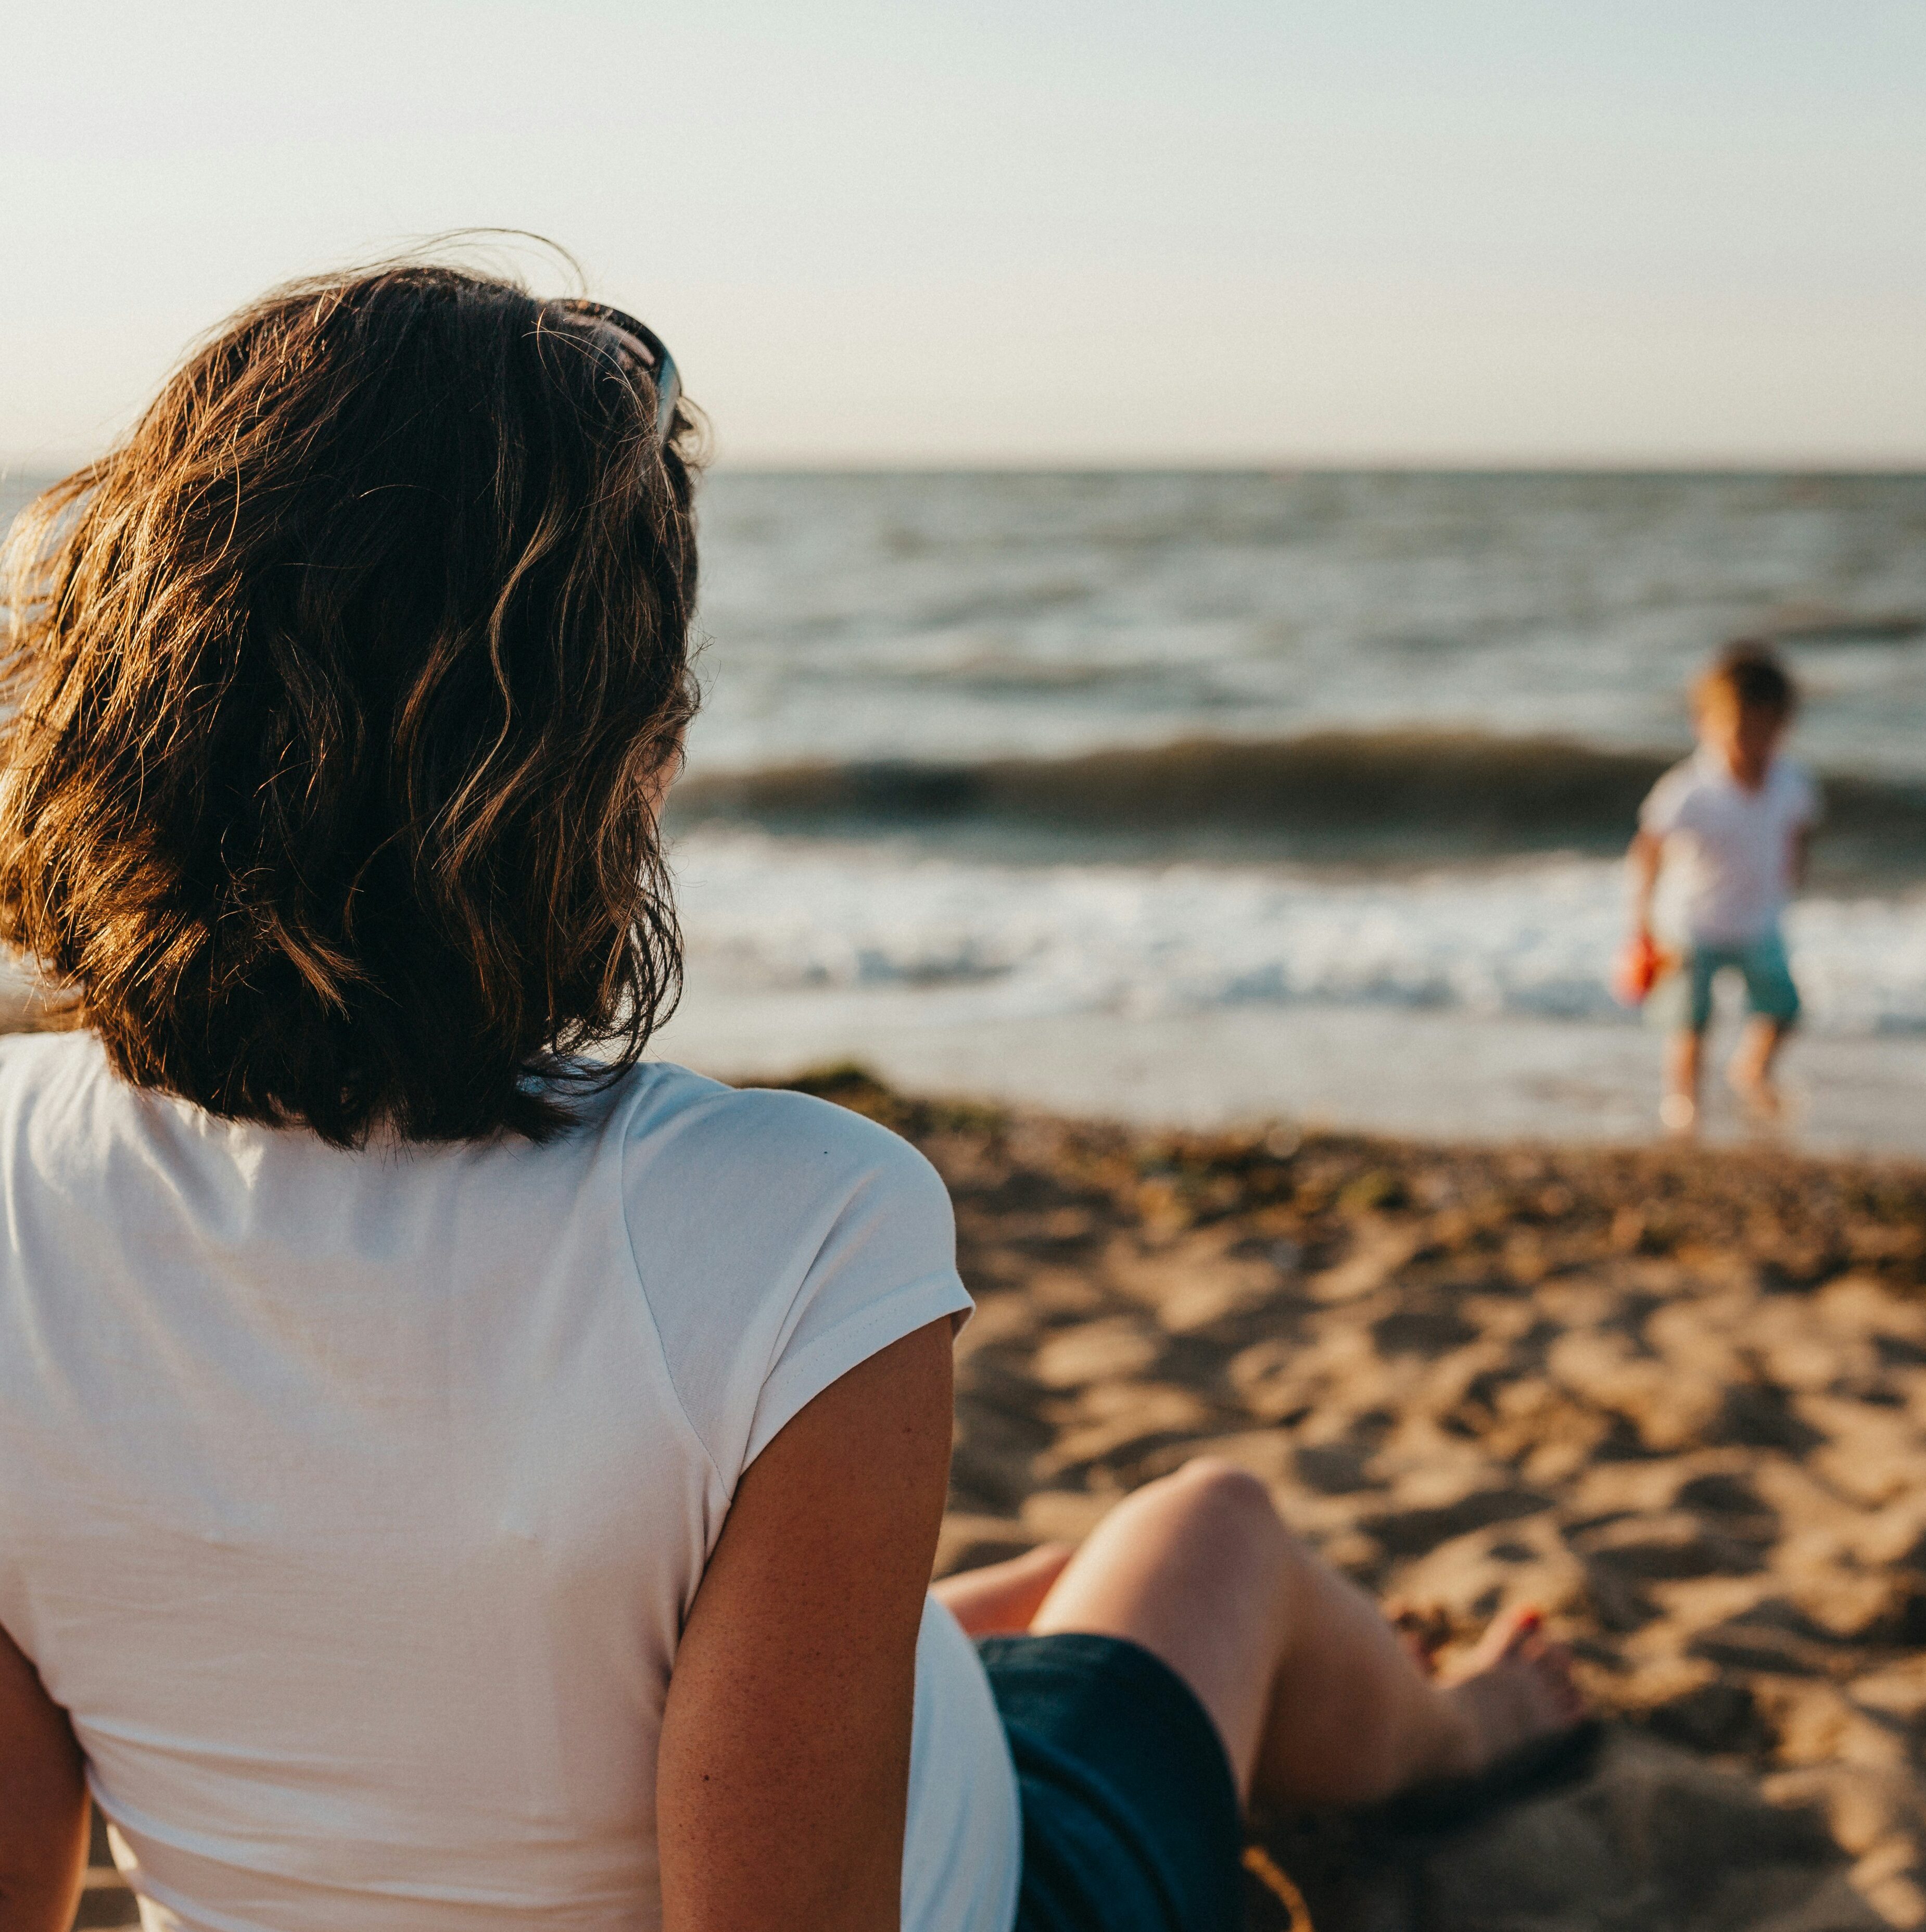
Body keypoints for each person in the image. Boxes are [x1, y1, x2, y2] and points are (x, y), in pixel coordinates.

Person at [0, 259, 1583, 1932]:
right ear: (622, 762)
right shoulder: (799, 1223)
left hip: (620, 1725)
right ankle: (1468, 1734)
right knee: (1214, 1533)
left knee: (988, 1602)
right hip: (1012, 1889)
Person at [1627, 643, 1818, 1137]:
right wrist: (1640, 925)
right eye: (1740, 729)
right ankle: (1683, 1104)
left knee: (1784, 1010)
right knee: (1690, 1023)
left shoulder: (1791, 781)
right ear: (1704, 723)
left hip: (1758, 921)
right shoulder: (1689, 789)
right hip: (1691, 924)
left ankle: (1751, 1069)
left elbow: (1799, 829)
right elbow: (1647, 849)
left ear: (1783, 726)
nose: (1753, 743)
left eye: (1766, 730)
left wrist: (1791, 875)